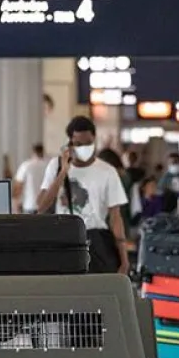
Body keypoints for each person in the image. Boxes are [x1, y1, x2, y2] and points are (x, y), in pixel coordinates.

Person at [36, 116, 129, 274]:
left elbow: (115, 217)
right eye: (79, 144)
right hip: (65, 240)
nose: (85, 147)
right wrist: (63, 172)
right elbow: (41, 206)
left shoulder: (107, 172)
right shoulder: (56, 166)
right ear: (70, 144)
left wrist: (124, 259)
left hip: (96, 240)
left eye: (89, 143)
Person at [13, 143, 49, 214]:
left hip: (30, 206)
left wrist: (15, 207)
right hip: (47, 207)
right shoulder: (49, 166)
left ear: (33, 152)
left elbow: (18, 188)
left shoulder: (26, 166)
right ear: (43, 151)